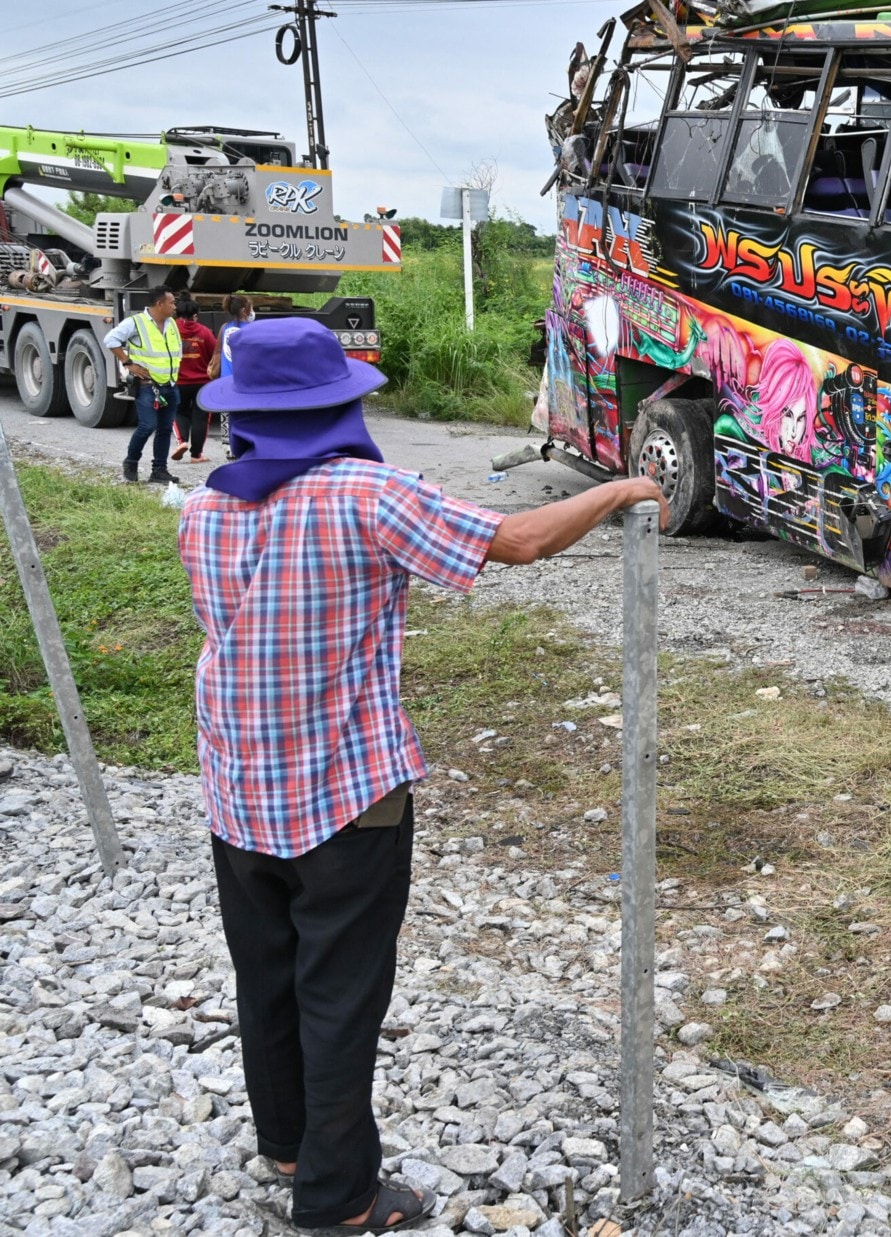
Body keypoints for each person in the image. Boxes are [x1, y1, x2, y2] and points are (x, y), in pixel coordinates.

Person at [179, 318, 662, 1231]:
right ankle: (339, 1197)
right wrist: (624, 489)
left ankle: (286, 1143)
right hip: (346, 798)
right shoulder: (366, 495)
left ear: (242, 414)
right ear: (339, 405)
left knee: (267, 975)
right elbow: (515, 539)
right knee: (339, 995)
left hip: (238, 790)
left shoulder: (207, 507)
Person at [105, 287, 181, 484]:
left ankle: (159, 470)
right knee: (148, 425)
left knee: (165, 429)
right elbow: (110, 340)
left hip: (169, 385)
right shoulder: (136, 323)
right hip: (148, 385)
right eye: (172, 303)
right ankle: (131, 461)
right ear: (160, 304)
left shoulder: (171, 323)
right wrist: (129, 364)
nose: (175, 306)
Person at [170, 298, 220, 465]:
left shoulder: (171, 329)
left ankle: (182, 441)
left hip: (178, 381)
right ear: (195, 315)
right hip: (202, 383)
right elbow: (215, 354)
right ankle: (196, 454)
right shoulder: (204, 332)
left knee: (178, 411)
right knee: (201, 417)